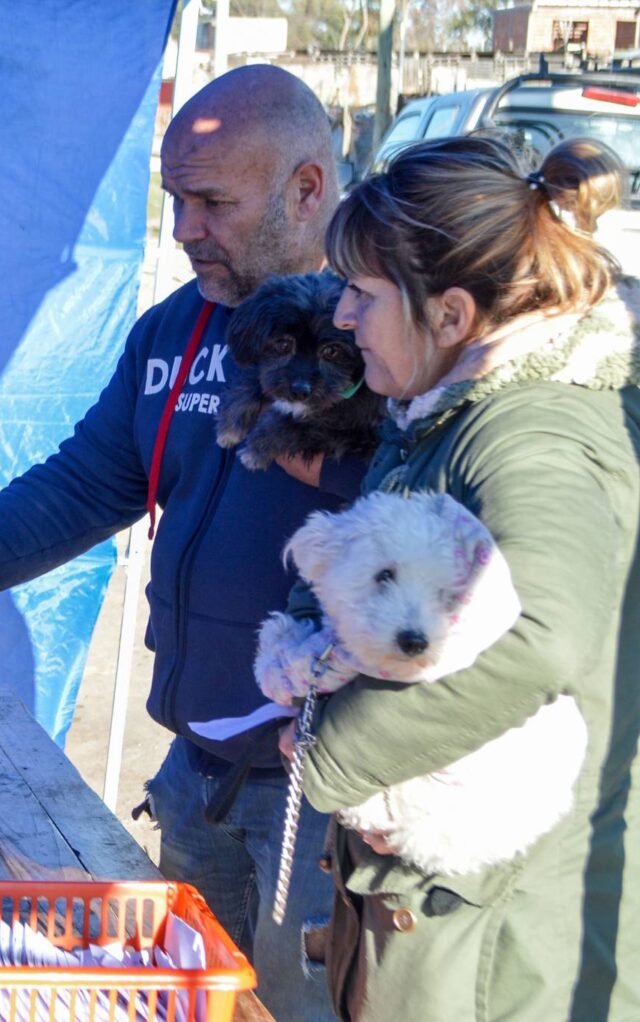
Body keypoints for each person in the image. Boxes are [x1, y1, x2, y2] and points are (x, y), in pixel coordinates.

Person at [0, 65, 349, 1020]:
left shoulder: (375, 336)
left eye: (213, 203)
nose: (184, 229)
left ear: (306, 190)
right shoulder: (170, 332)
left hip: (318, 800)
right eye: (174, 200)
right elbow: (88, 482)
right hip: (197, 776)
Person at [290, 135, 640, 1019]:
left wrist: (338, 753)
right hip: (455, 918)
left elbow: (544, 635)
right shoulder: (455, 408)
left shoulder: (533, 434)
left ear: (450, 315)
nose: (341, 317)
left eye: (363, 294)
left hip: (501, 951)